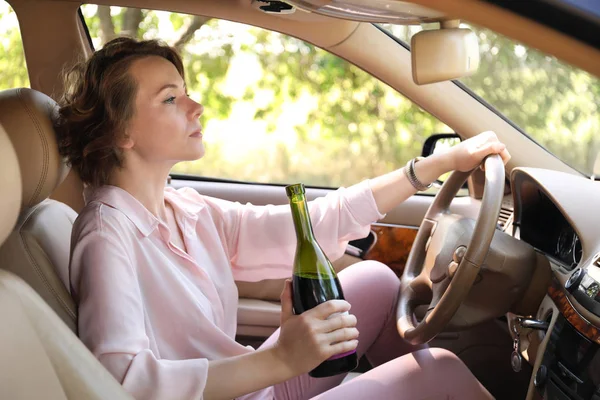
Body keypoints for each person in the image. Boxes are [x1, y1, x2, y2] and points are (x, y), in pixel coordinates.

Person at [56, 37, 510, 400]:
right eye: (171, 99)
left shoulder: (185, 208)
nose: (196, 107)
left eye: (186, 92)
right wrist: (280, 359)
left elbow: (308, 223)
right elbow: (120, 381)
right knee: (442, 374)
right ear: (122, 132)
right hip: (251, 385)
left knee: (376, 280)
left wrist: (429, 167)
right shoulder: (106, 234)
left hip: (253, 387)